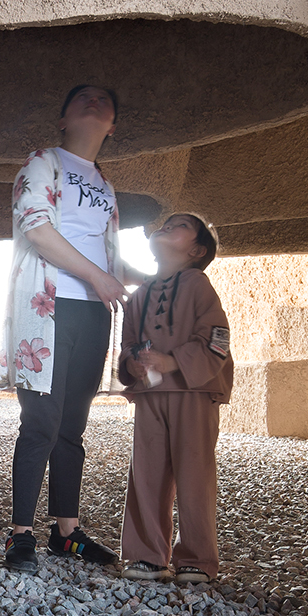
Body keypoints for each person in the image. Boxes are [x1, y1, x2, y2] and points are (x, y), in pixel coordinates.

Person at [0, 82, 146, 574]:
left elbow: (111, 256)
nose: (96, 100)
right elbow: (37, 228)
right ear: (63, 119)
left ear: (113, 125)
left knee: (72, 427)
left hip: (91, 311)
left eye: (106, 99)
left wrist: (158, 278)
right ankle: (20, 534)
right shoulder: (43, 162)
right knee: (40, 421)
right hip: (48, 304)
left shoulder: (104, 183)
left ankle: (66, 532)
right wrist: (99, 276)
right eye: (82, 97)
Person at [117, 212, 234, 583]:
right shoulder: (138, 297)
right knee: (146, 475)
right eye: (165, 222)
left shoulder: (199, 285)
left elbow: (218, 337)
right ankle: (147, 556)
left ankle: (197, 559)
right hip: (151, 396)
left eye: (180, 225)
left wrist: (172, 361)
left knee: (194, 473)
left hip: (194, 392)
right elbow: (128, 345)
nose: (167, 225)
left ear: (197, 250)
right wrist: (131, 365)